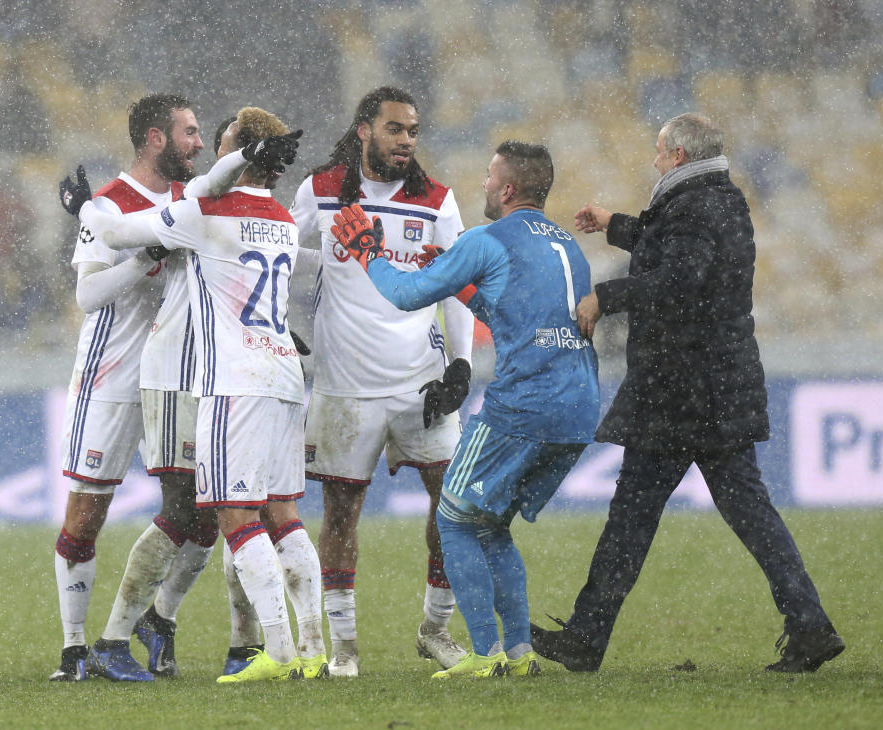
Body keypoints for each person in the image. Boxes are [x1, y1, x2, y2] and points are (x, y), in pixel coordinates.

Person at [530, 112, 845, 674]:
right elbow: (671, 248)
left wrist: (606, 295)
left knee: (632, 519)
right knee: (745, 515)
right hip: (713, 388)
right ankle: (810, 625)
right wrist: (616, 224)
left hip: (684, 392)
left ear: (677, 155)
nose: (653, 159)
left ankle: (586, 637)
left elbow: (678, 279)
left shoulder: (695, 206)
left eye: (658, 151)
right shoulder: (713, 199)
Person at [62, 106, 325, 682]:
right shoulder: (277, 216)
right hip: (207, 373)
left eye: (221, 138)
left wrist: (80, 210)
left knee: (218, 514)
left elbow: (119, 231)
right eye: (195, 132)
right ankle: (121, 636)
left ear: (241, 154)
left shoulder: (201, 209)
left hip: (221, 376)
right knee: (206, 510)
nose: (207, 144)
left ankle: (239, 642)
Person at [330, 140, 600, 678]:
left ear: (506, 188)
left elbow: (407, 295)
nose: (481, 184)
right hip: (579, 406)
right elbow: (517, 319)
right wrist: (468, 292)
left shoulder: (486, 238)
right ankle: (520, 655)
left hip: (524, 405)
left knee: (454, 519)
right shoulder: (567, 245)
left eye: (488, 175)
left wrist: (368, 253)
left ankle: (484, 656)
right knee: (491, 524)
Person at [289, 86, 475, 677]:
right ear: (364, 129)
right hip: (346, 387)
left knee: (453, 505)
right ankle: (343, 645)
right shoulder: (319, 191)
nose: (406, 142)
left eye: (413, 131)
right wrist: (294, 335)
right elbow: (283, 265)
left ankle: (435, 630)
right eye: (395, 129)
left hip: (422, 380)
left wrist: (461, 366)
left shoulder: (437, 201)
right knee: (341, 512)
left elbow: (462, 287)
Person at [49, 93, 204, 683]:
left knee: (203, 512)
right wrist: (145, 258)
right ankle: (73, 650)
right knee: (86, 519)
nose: (198, 142)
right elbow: (88, 297)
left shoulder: (190, 202)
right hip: (112, 376)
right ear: (155, 139)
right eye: (189, 132)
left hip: (176, 378)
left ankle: (153, 617)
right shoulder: (112, 203)